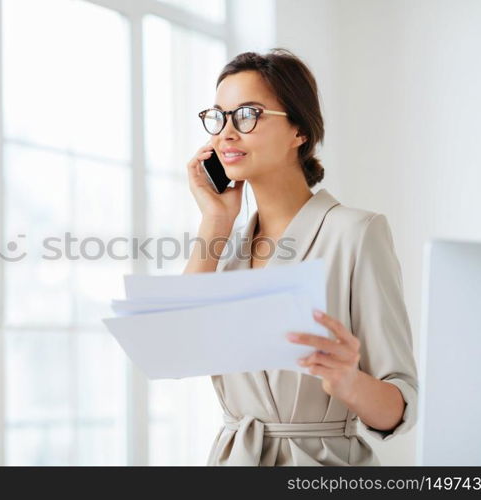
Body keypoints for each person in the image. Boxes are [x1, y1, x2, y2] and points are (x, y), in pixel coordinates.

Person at [184, 49, 418, 466]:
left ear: (299, 131)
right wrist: (216, 220)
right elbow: (180, 346)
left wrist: (347, 381)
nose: (226, 134)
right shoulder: (226, 243)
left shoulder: (356, 232)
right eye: (218, 117)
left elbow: (398, 408)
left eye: (247, 114)